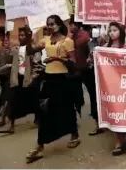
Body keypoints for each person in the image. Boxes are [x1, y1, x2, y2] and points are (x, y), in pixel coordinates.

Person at [25, 15, 80, 164]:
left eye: (53, 24)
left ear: (59, 24)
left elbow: (73, 62)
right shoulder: (46, 40)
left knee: (67, 108)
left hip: (63, 79)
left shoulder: (67, 41)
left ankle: (74, 134)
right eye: (48, 24)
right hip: (49, 79)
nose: (51, 26)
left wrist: (57, 59)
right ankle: (39, 145)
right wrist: (29, 39)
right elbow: (31, 50)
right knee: (44, 111)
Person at [99, 22, 126, 156]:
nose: (112, 33)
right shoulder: (105, 47)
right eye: (110, 31)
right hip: (111, 83)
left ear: (121, 31)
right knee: (115, 109)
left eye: (115, 30)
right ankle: (119, 140)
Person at [0, 26, 41, 134]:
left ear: (27, 37)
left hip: (28, 79)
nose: (21, 37)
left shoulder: (32, 50)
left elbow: (36, 65)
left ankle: (38, 120)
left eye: (23, 35)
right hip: (16, 78)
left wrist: (33, 77)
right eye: (20, 35)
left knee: (34, 101)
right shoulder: (15, 49)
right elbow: (10, 62)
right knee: (12, 100)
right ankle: (11, 126)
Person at [0, 26, 14, 127]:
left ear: (7, 35)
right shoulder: (0, 48)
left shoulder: (12, 47)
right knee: (4, 93)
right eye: (0, 36)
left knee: (6, 94)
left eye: (3, 35)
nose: (2, 38)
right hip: (1, 74)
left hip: (9, 74)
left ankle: (2, 115)